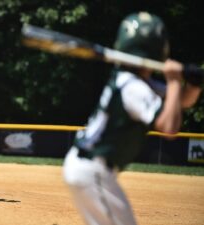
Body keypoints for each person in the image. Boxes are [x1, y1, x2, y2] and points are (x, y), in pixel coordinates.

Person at [62, 12, 203, 225]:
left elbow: (181, 101)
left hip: (91, 171)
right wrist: (174, 81)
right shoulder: (133, 88)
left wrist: (193, 85)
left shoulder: (135, 82)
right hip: (93, 171)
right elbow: (169, 127)